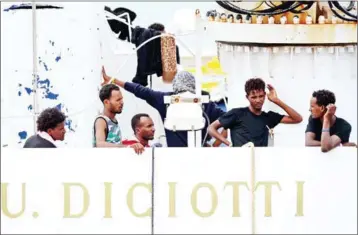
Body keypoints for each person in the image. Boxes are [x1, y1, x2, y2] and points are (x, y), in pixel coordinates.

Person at [101, 66, 225, 147]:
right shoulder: (204, 103)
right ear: (194, 86)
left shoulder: (165, 100)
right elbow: (229, 120)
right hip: (201, 158)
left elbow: (139, 90)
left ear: (175, 85)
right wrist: (215, 145)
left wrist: (113, 80)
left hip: (173, 159)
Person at [208, 78, 303, 147]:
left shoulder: (268, 117)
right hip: (239, 162)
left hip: (260, 164)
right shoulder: (236, 113)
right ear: (247, 97)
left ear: (265, 95)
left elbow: (297, 119)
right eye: (254, 97)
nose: (258, 100)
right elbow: (211, 128)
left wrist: (276, 100)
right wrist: (228, 143)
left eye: (261, 96)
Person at [93, 84, 144, 154]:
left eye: (122, 99)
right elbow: (100, 144)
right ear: (106, 102)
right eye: (118, 100)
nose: (122, 102)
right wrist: (127, 147)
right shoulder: (101, 120)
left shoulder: (113, 120)